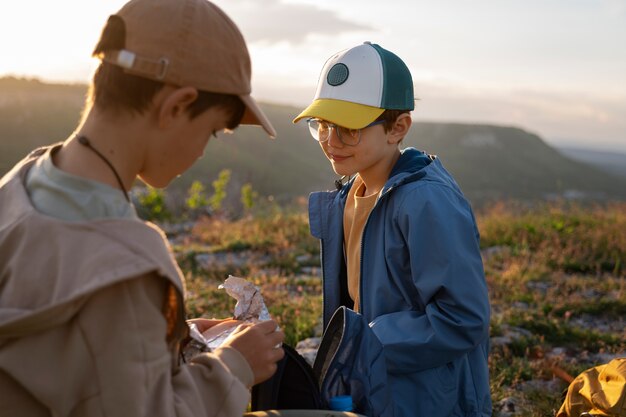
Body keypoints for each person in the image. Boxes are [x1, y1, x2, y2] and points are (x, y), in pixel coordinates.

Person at [0, 0, 286, 416]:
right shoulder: (126, 267)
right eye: (211, 131)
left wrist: (173, 338)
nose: (204, 150)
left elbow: (63, 352)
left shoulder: (20, 187)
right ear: (175, 106)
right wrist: (232, 367)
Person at [293, 42, 492, 417]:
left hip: (426, 399)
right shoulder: (351, 192)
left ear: (397, 128)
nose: (331, 141)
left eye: (349, 128)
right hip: (375, 382)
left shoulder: (426, 203)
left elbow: (462, 317)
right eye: (322, 124)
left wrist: (364, 343)